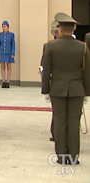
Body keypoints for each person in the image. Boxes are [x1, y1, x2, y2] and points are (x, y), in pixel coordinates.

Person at [42, 13, 90, 166]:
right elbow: (87, 71)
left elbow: (46, 70)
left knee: (60, 121)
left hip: (57, 89)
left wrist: (46, 90)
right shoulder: (82, 47)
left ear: (60, 29)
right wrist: (87, 92)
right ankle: (74, 156)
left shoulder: (50, 46)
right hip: (77, 89)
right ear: (73, 29)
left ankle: (62, 156)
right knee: (74, 123)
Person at [0, 20, 15, 88]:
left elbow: (13, 44)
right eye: (2, 26)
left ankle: (8, 81)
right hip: (1, 52)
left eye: (4, 26)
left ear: (8, 27)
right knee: (2, 67)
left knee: (9, 67)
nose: (3, 28)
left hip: (9, 52)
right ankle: (3, 81)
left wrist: (13, 53)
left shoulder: (11, 35)